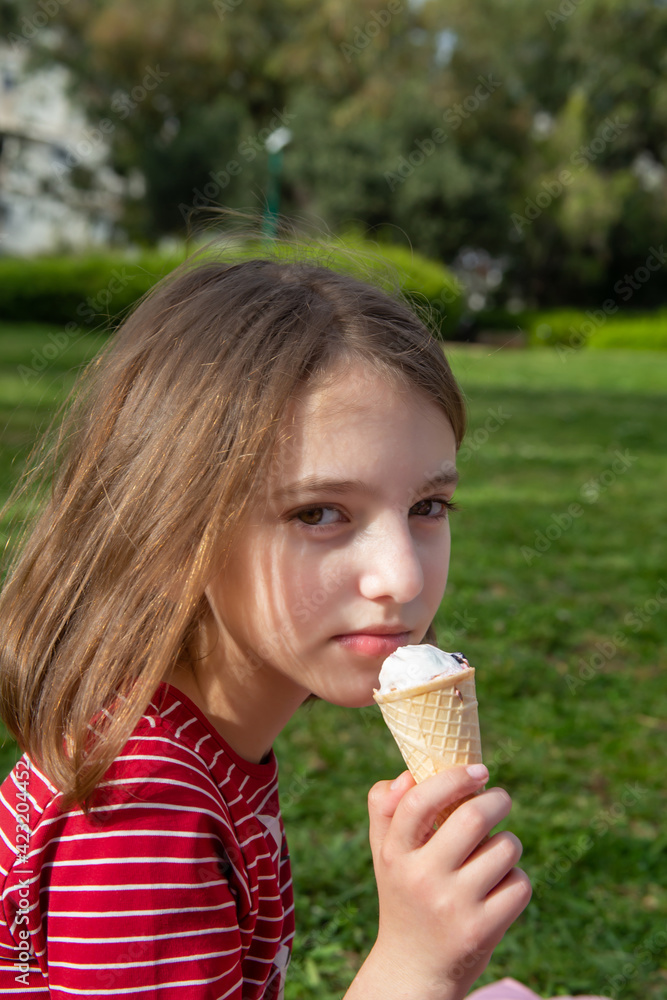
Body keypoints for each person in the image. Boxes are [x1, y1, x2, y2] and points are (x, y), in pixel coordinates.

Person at [0, 245, 531, 999]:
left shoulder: (198, 746)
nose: (403, 578)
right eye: (318, 513)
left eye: (426, 508)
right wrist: (412, 965)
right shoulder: (143, 813)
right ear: (175, 529)